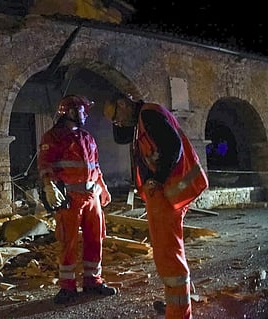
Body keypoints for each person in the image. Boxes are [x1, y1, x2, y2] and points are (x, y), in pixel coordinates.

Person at [103, 92, 208, 319]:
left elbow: (173, 147)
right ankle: (179, 303)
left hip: (166, 193)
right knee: (171, 251)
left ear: (123, 103)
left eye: (116, 116)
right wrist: (120, 116)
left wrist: (157, 179)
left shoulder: (149, 115)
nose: (118, 124)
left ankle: (179, 312)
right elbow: (121, 138)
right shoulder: (142, 117)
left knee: (168, 255)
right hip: (164, 194)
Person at [37, 94, 118, 304]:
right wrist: (49, 186)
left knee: (95, 239)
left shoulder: (87, 138)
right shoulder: (53, 137)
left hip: (92, 197)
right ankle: (68, 287)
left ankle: (93, 281)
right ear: (71, 112)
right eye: (83, 110)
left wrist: (103, 187)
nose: (86, 115)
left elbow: (95, 167)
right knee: (68, 241)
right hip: (69, 198)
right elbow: (45, 165)